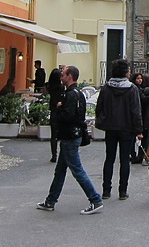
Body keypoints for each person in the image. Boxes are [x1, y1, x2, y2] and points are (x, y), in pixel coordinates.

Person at [37, 65, 103, 215]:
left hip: (69, 136)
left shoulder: (71, 95)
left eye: (63, 75)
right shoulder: (78, 93)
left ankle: (95, 199)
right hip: (73, 135)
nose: (61, 77)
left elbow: (68, 116)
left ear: (70, 76)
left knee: (77, 170)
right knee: (60, 171)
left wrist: (59, 108)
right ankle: (50, 201)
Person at [95, 59, 143, 200]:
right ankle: (122, 191)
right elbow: (136, 111)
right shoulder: (132, 89)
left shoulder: (106, 88)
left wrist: (102, 120)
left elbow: (99, 108)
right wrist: (138, 129)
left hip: (110, 127)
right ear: (125, 72)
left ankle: (106, 190)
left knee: (109, 158)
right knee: (124, 160)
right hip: (126, 128)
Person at [46, 66, 64, 163]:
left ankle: (54, 155)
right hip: (60, 112)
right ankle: (61, 154)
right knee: (61, 134)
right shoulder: (61, 87)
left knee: (53, 136)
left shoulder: (49, 86)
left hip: (53, 111)